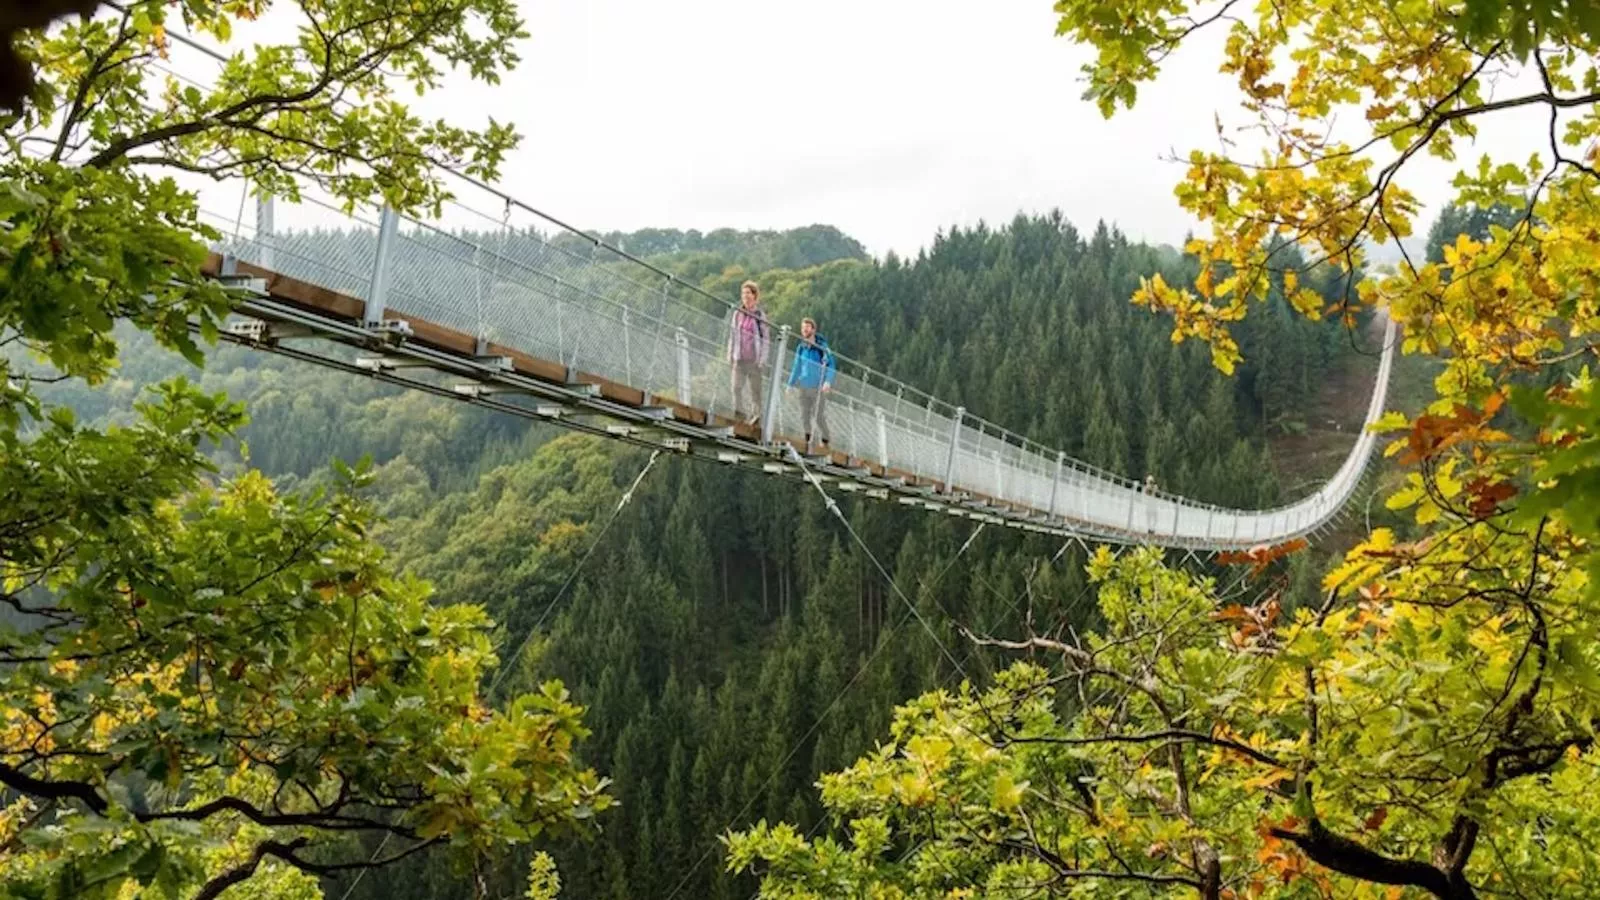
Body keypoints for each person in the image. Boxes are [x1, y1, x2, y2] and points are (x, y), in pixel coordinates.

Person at [786, 316, 835, 454]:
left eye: (807, 328)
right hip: (804, 385)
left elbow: (831, 364)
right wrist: (790, 384)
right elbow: (797, 366)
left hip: (817, 386)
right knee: (804, 414)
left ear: (813, 330)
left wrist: (828, 381)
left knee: (818, 415)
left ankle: (825, 439)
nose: (804, 330)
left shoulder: (822, 347)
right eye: (802, 328)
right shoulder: (801, 348)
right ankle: (808, 439)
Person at [726, 280, 769, 424]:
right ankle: (739, 415)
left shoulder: (759, 315)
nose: (745, 296)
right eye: (743, 293)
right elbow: (733, 335)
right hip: (739, 358)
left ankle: (756, 417)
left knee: (755, 391)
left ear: (754, 296)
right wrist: (730, 354)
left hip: (754, 360)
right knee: (735, 387)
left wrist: (762, 360)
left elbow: (765, 339)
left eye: (748, 293)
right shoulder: (738, 314)